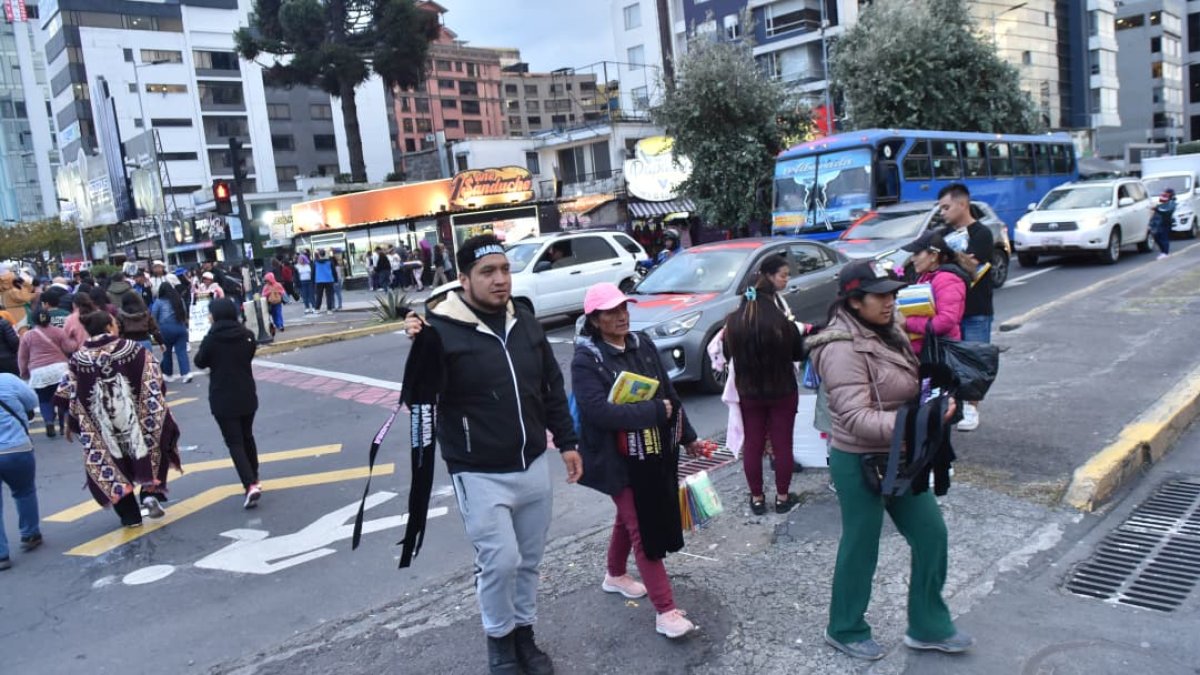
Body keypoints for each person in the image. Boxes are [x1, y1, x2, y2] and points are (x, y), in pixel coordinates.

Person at [402, 234, 580, 675]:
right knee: (500, 562)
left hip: (532, 462)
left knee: (529, 561)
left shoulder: (526, 322)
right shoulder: (440, 332)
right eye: (487, 272)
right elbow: (419, 401)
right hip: (478, 471)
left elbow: (551, 387)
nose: (500, 280)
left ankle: (524, 635)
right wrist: (420, 350)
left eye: (504, 270)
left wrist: (568, 442)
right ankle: (499, 642)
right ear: (464, 280)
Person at [807, 259, 970, 661]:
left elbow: (905, 386)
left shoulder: (888, 331)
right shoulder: (840, 347)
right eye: (879, 296)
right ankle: (844, 628)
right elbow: (855, 418)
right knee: (861, 544)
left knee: (931, 535)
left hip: (901, 454)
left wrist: (937, 393)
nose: (890, 302)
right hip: (859, 460)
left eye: (892, 295)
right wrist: (920, 420)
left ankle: (929, 625)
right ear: (854, 300)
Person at [571, 282, 702, 639]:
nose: (621, 316)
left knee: (628, 518)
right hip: (614, 459)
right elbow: (598, 412)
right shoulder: (586, 359)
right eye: (611, 312)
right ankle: (665, 611)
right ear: (594, 320)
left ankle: (615, 574)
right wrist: (654, 411)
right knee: (643, 529)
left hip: (653, 453)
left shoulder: (641, 343)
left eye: (623, 308)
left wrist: (689, 437)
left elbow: (669, 394)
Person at [56, 311, 182, 528]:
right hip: (138, 417)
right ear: (108, 326)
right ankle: (150, 493)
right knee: (151, 448)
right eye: (114, 323)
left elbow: (68, 391)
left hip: (100, 424)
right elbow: (154, 376)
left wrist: (71, 420)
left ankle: (130, 515)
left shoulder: (79, 358)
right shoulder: (132, 348)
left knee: (109, 464)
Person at [723, 255, 806, 515]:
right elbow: (798, 354)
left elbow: (727, 355)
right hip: (783, 390)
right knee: (783, 445)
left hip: (748, 393)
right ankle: (782, 498)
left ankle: (757, 499)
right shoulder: (782, 322)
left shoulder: (732, 322)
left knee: (753, 445)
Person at [194, 298, 262, 508]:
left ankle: (249, 484)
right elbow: (249, 355)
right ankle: (254, 477)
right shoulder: (247, 335)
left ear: (216, 315)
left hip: (222, 396)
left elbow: (200, 361)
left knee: (234, 442)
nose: (208, 316)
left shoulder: (212, 339)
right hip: (246, 392)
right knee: (247, 436)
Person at [936, 183, 992, 432]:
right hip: (949, 310)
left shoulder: (982, 233)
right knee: (950, 363)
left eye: (946, 207)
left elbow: (970, 266)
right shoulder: (942, 234)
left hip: (975, 308)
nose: (943, 213)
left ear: (963, 204)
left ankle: (971, 408)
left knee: (974, 360)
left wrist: (949, 257)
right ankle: (952, 407)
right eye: (941, 208)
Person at [901, 230, 972, 355]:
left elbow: (946, 321)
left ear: (934, 256)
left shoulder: (947, 279)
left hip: (940, 354)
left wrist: (907, 323)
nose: (912, 259)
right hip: (927, 351)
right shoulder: (926, 276)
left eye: (917, 253)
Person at [0, 371, 40, 570]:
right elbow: (32, 401)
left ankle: (1, 554)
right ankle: (30, 534)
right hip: (16, 448)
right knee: (24, 492)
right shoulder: (7, 380)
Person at [18, 309, 77, 437]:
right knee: (64, 398)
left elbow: (23, 357)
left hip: (39, 372)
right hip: (60, 369)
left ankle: (49, 422)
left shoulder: (27, 336)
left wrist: (24, 372)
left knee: (44, 399)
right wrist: (75, 340)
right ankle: (67, 423)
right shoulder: (58, 331)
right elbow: (69, 347)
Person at [152, 281, 192, 383]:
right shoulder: (179, 300)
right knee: (182, 351)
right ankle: (186, 373)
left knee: (167, 352)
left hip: (166, 329)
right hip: (180, 328)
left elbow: (153, 317)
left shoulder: (159, 302)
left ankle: (168, 374)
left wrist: (155, 330)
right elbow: (184, 313)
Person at [1150, 188, 1176, 260]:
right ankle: (1163, 252)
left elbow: (1166, 211)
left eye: (1167, 193)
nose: (1164, 194)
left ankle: (1165, 253)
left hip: (1165, 222)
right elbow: (1158, 207)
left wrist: (1156, 209)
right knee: (1156, 236)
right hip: (1157, 222)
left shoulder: (1172, 203)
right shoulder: (1162, 200)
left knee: (1164, 237)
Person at [312, 249, 336, 313]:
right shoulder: (329, 262)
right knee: (329, 295)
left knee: (319, 295)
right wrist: (335, 280)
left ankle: (317, 309)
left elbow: (313, 272)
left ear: (319, 255)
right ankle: (329, 309)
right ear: (325, 254)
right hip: (329, 280)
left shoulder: (315, 262)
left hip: (319, 280)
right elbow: (333, 271)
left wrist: (313, 281)